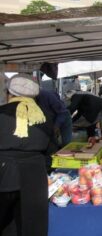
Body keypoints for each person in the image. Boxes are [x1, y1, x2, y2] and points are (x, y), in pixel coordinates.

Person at [0, 74, 53, 236]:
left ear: (10, 93)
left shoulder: (2, 113)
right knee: (31, 224)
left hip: (4, 171)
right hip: (34, 174)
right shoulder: (44, 116)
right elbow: (50, 148)